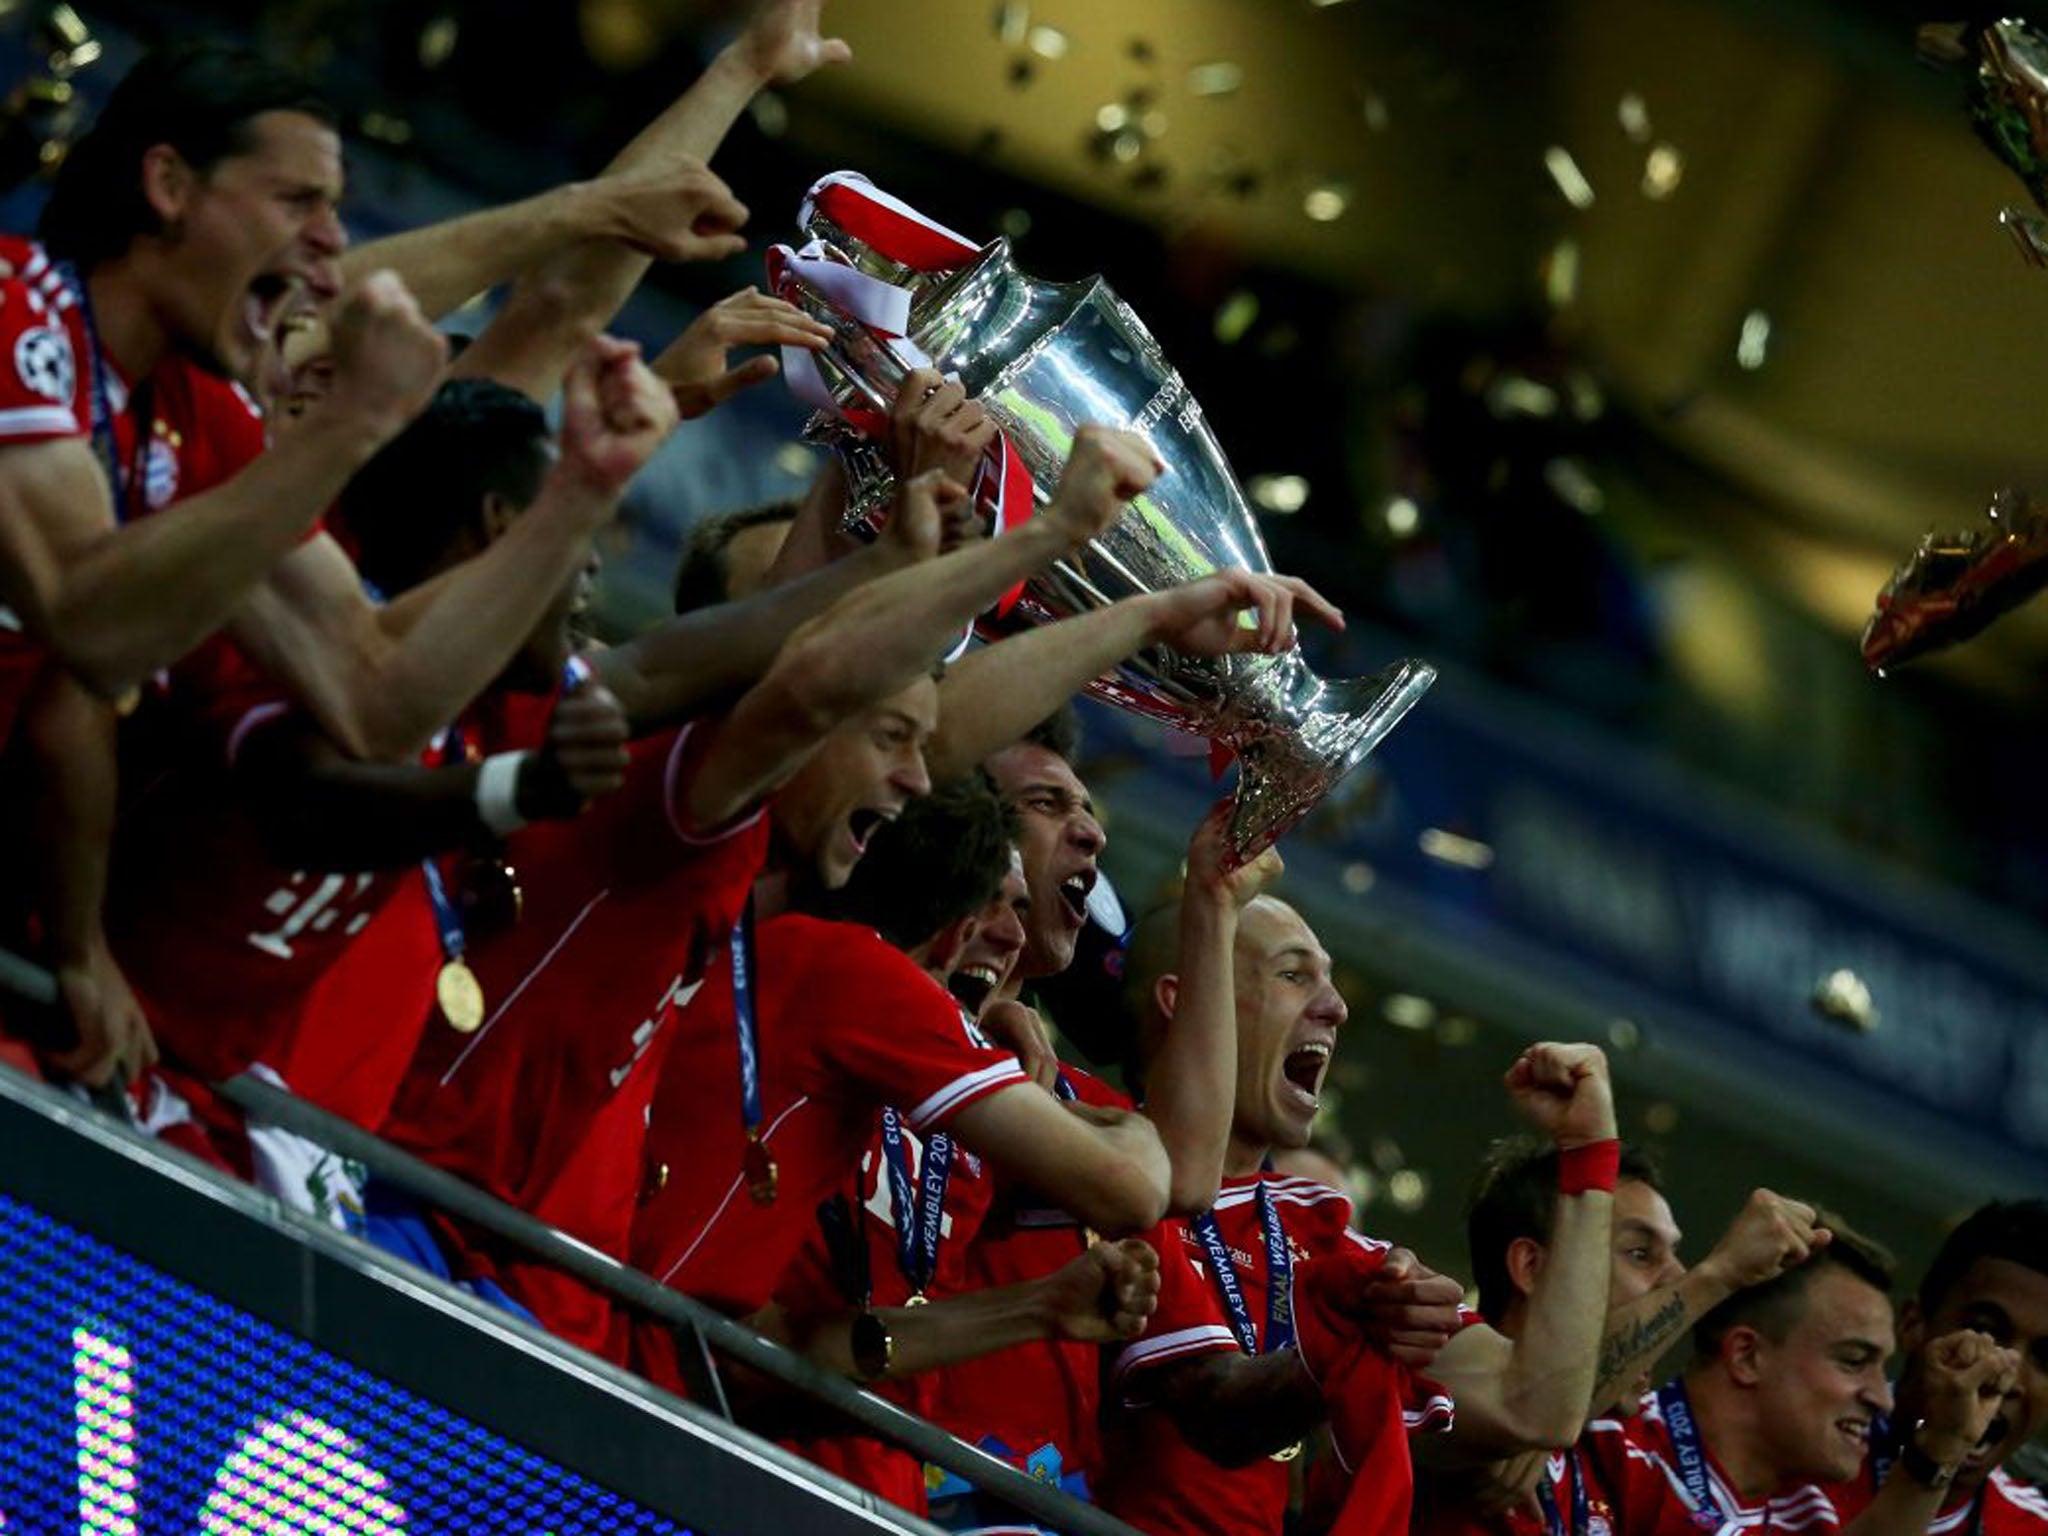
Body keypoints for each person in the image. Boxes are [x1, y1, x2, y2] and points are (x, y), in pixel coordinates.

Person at [1094, 889, 1618, 1536]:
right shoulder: (1100, 1171)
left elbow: (1536, 1404)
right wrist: (1343, 1346)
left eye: (1331, 981)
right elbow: (1215, 1410)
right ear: (1187, 999)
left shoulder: (1327, 1239)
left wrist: (1587, 1155)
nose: (1336, 1008)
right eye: (1293, 975)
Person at [1419, 1141, 1836, 1536]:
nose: (1677, 1278)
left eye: (1675, 1256)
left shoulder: (1609, 1461)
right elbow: (1521, 1403)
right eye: (1640, 1253)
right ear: (1531, 1266)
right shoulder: (1438, 1378)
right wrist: (1719, 1273)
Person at [1580, 1228, 1900, 1536]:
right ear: (1746, 1357)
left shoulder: (1814, 1520)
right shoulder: (1606, 1451)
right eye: (1854, 1361)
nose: (1882, 1399)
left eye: (1882, 1367)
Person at [1822, 1200, 2044, 1536]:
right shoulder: (1796, 1449)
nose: (2007, 1375)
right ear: (1913, 1324)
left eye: (2047, 1358)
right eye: (1986, 1332)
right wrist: (1935, 1455)